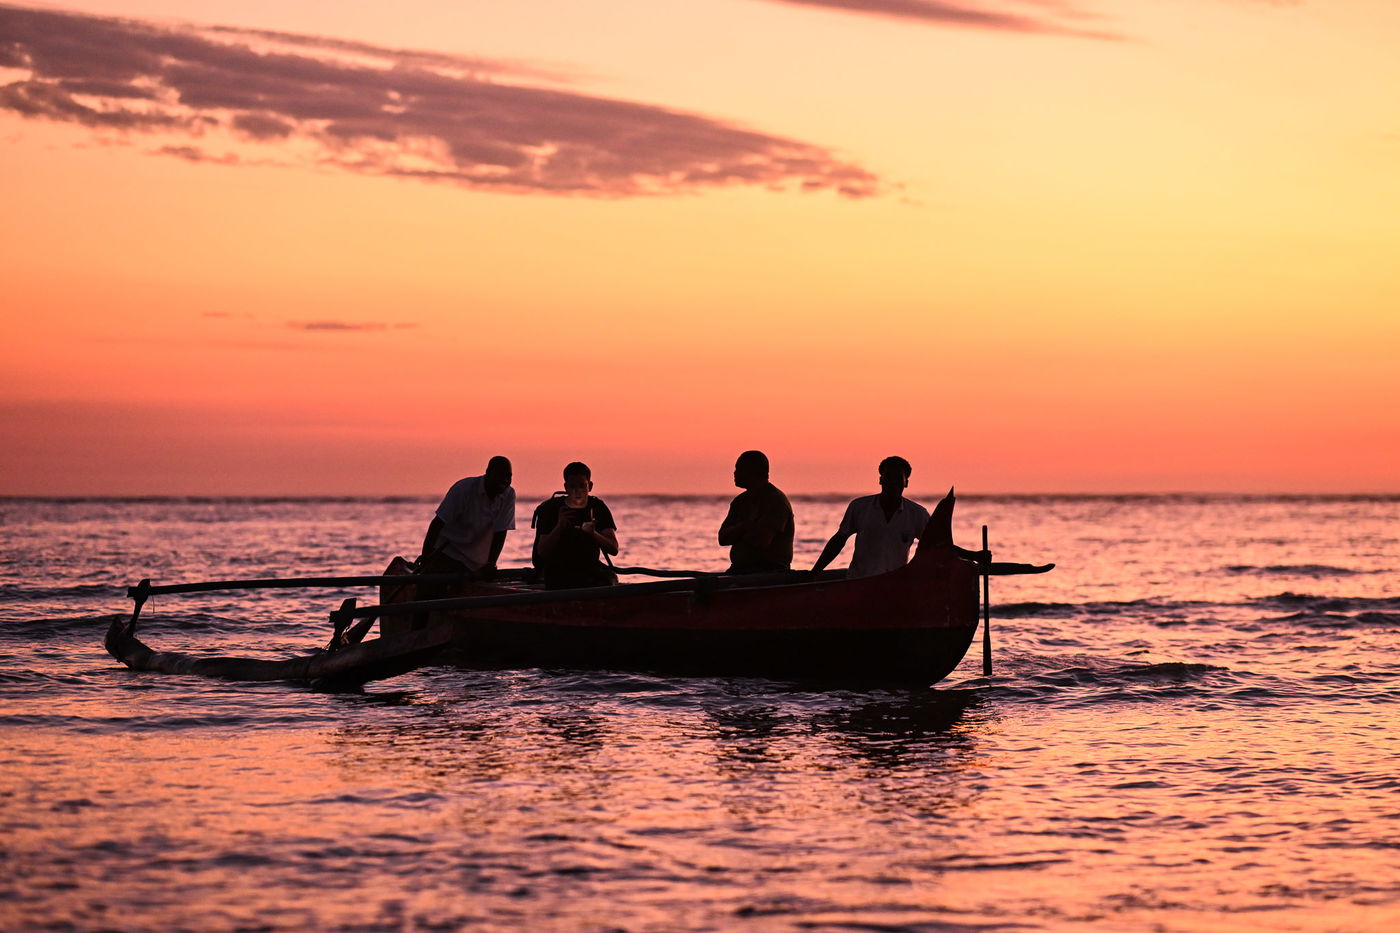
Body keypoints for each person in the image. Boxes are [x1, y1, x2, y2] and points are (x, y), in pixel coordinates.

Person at [811, 456, 931, 579]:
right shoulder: (859, 507)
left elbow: (934, 547)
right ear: (881, 480)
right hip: (858, 582)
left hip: (896, 585)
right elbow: (839, 539)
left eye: (897, 479)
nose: (892, 483)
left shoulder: (917, 514)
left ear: (906, 483)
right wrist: (814, 573)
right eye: (888, 477)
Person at [417, 455, 515, 580]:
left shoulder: (509, 494)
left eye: (509, 476)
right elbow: (437, 524)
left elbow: (500, 532)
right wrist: (426, 558)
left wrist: (491, 564)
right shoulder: (463, 489)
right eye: (501, 475)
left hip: (475, 562)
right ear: (488, 473)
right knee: (430, 590)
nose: (505, 480)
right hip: (447, 552)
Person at [532, 461, 619, 589]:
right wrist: (560, 526)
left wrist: (593, 533)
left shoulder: (597, 507)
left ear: (590, 486)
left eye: (581, 486)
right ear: (566, 487)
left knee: (610, 579)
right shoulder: (552, 508)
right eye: (572, 486)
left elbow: (613, 548)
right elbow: (542, 552)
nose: (577, 491)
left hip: (590, 568)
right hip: (559, 570)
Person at [718, 450, 794, 574]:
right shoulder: (740, 501)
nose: (735, 473)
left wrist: (737, 533)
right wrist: (745, 527)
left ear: (754, 472)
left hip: (770, 572)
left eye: (739, 469)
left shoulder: (776, 501)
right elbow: (722, 538)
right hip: (739, 570)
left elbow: (761, 541)